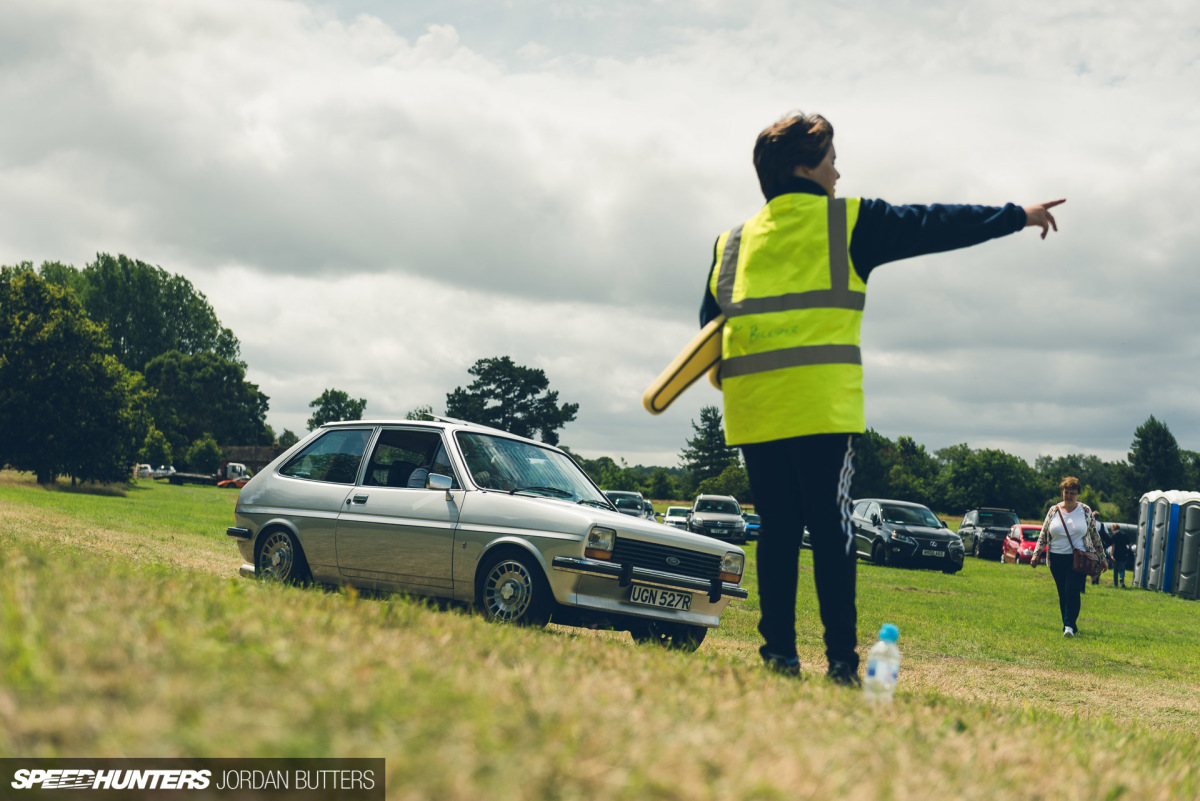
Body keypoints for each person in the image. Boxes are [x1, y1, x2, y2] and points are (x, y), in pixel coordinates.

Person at [700, 110, 1064, 684]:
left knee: (776, 529)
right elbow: (935, 223)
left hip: (754, 409)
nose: (839, 172)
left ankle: (779, 658)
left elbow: (708, 331)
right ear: (804, 165)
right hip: (821, 406)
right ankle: (842, 664)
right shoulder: (848, 222)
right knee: (831, 529)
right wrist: (1017, 215)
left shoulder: (732, 242)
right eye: (831, 160)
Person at [1031, 477, 1108, 636]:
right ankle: (1069, 623)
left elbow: (1094, 535)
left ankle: (1069, 626)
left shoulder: (1085, 511)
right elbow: (1044, 533)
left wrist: (1102, 558)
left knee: (1072, 589)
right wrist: (1036, 554)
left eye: (1073, 493)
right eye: (1066, 492)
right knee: (1063, 592)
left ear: (1078, 494)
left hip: (1079, 558)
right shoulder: (1053, 510)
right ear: (1062, 492)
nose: (1069, 496)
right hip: (1056, 558)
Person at [1109, 523, 1132, 588]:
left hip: (1116, 554)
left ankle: (1115, 584)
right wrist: (1129, 551)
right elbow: (1129, 544)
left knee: (1115, 570)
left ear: (1113, 529)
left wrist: (1111, 555)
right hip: (1124, 554)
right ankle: (1121, 579)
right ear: (1119, 528)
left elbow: (1112, 546)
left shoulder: (1113, 536)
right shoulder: (1124, 535)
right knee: (1122, 569)